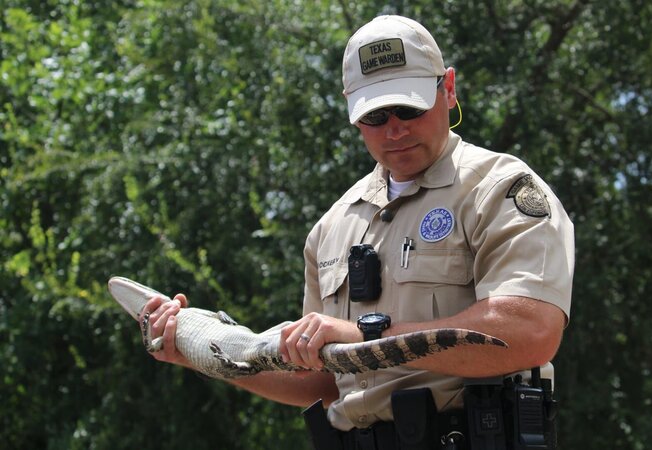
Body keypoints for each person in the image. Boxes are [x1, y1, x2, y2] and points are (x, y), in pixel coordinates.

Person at [141, 14, 574, 448]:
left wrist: (366, 336)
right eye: (374, 114)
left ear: (448, 88)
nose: (394, 128)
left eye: (408, 107)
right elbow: (323, 382)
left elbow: (529, 332)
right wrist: (203, 355)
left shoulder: (498, 190)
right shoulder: (332, 227)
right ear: (350, 107)